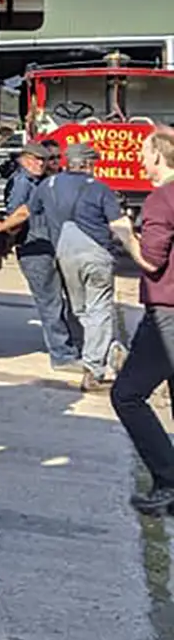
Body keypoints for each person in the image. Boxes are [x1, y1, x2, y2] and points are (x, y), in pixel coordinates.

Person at [32, 140, 145, 392]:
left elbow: (34, 213)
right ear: (87, 164)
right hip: (96, 254)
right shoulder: (99, 188)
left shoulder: (47, 185)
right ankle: (94, 369)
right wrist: (137, 253)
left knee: (81, 309)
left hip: (64, 252)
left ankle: (103, 349)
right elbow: (119, 225)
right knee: (100, 309)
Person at [112, 128, 174, 513]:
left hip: (166, 311)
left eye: (143, 153)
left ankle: (168, 481)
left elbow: (152, 261)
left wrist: (124, 236)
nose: (139, 159)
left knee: (127, 395)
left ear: (160, 157)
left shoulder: (161, 200)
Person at [0, 141, 80, 369]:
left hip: (46, 246)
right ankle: (62, 356)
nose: (41, 163)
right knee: (51, 302)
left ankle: (72, 348)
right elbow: (18, 215)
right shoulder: (22, 182)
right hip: (34, 249)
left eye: (44, 160)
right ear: (24, 159)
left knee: (59, 301)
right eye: (36, 159)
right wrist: (4, 227)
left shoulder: (37, 181)